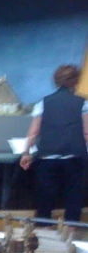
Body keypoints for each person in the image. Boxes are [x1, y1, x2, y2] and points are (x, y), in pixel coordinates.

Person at [20, 64, 88, 226]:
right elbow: (87, 133)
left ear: (56, 81)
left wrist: (26, 153)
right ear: (76, 81)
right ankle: (72, 233)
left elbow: (33, 132)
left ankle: (43, 232)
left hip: (47, 158)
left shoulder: (43, 103)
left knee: (45, 198)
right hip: (74, 158)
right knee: (74, 198)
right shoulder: (82, 103)